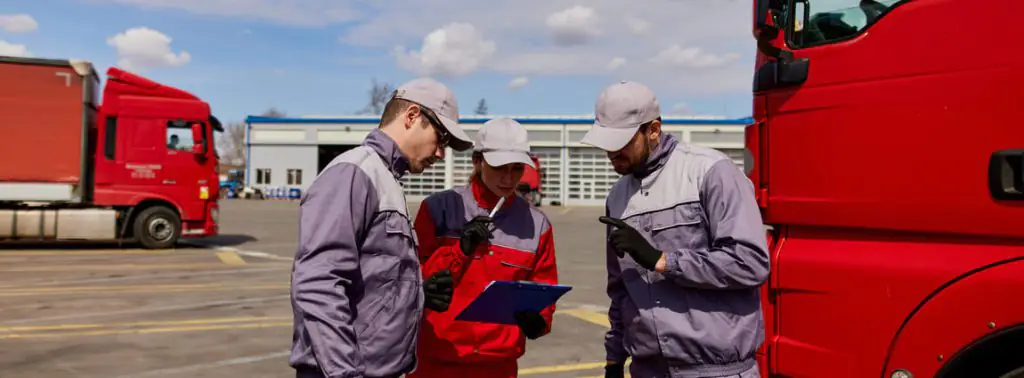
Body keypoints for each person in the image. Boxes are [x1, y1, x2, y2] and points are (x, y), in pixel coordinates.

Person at [580, 81, 770, 378]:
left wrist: (663, 260)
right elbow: (621, 290)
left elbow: (750, 263)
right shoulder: (617, 198)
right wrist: (614, 359)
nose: (611, 152)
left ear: (653, 130)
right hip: (648, 370)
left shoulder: (709, 173)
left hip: (717, 372)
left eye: (621, 141)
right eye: (606, 142)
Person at [290, 77, 475, 378]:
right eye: (440, 138)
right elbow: (317, 283)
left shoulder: (385, 179)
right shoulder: (355, 173)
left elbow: (373, 277)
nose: (442, 153)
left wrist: (417, 294)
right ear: (412, 115)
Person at [407, 117, 560, 378]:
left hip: (498, 365)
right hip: (436, 361)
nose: (508, 178)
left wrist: (540, 321)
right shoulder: (438, 209)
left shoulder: (537, 225)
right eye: (500, 167)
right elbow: (414, 281)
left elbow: (542, 288)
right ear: (477, 161)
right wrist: (460, 251)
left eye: (516, 169)